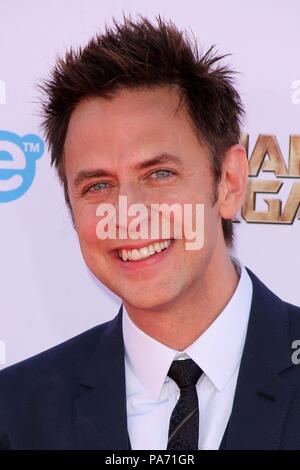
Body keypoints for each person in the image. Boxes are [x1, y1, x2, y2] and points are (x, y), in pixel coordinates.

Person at [0, 15, 299, 451]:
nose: (129, 215)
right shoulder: (17, 412)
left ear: (229, 182)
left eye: (160, 174)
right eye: (98, 186)